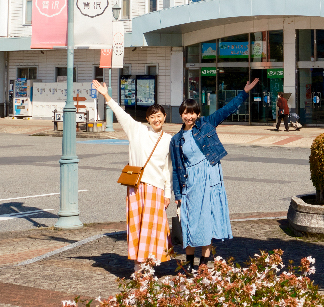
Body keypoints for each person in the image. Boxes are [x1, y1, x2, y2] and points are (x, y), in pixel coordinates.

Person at [170, 77, 260, 271]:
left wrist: (244, 93)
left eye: (193, 113)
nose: (190, 116)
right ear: (181, 114)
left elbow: (227, 110)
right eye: (186, 113)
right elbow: (177, 168)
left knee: (207, 222)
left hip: (210, 180)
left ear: (198, 114)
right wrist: (177, 195)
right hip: (191, 184)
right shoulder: (176, 140)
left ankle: (203, 264)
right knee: (190, 223)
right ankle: (189, 263)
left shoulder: (207, 124)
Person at [91, 79, 172, 272]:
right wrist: (106, 96)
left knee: (153, 229)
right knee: (136, 226)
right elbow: (121, 113)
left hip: (156, 188)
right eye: (152, 116)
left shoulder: (169, 140)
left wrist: (168, 193)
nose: (156, 119)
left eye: (159, 116)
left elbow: (168, 169)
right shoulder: (136, 130)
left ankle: (151, 265)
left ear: (164, 117)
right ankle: (138, 266)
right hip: (136, 186)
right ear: (147, 119)